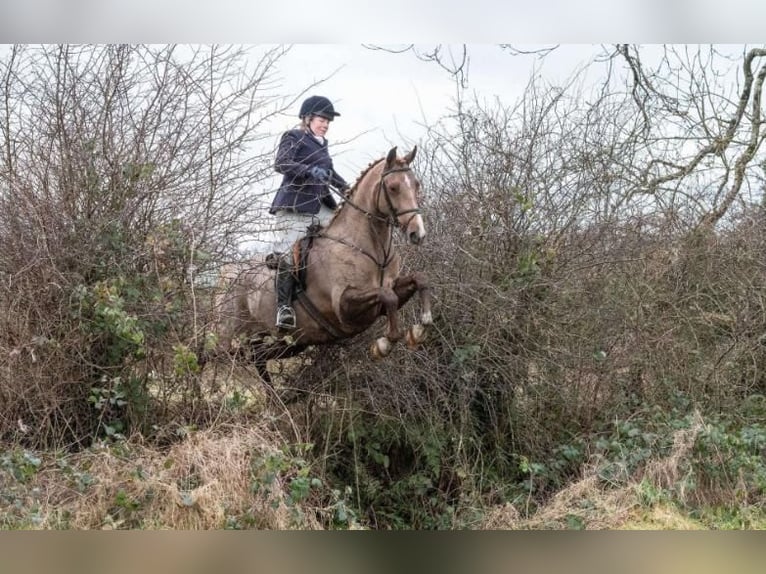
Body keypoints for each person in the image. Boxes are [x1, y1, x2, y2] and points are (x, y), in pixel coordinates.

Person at [268, 95, 350, 330]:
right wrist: (308, 171)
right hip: (294, 207)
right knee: (287, 254)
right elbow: (281, 163)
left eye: (328, 122)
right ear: (308, 118)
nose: (325, 124)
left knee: (347, 238)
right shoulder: (293, 137)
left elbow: (330, 174)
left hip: (321, 208)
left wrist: (348, 189)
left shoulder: (323, 145)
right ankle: (284, 307)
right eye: (322, 119)